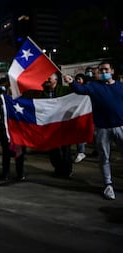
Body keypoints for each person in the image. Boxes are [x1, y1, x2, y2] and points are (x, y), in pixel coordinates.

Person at [65, 60, 123, 200]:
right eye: (101, 70)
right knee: (104, 157)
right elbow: (80, 89)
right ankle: (108, 185)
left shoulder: (121, 87)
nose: (104, 72)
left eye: (106, 70)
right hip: (102, 128)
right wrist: (72, 82)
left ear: (112, 71)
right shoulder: (94, 86)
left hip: (120, 126)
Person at [41, 72, 73, 178]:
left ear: (56, 80)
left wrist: (71, 83)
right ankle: (58, 168)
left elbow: (77, 95)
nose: (47, 81)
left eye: (49, 78)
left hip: (64, 124)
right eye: (46, 79)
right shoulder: (42, 93)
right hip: (50, 125)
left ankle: (67, 170)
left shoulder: (64, 90)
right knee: (53, 149)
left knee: (66, 148)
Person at [73, 73, 88, 163]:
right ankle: (81, 152)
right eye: (77, 79)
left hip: (90, 116)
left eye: (80, 79)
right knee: (80, 135)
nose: (78, 81)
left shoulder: (88, 89)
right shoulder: (74, 90)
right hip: (79, 116)